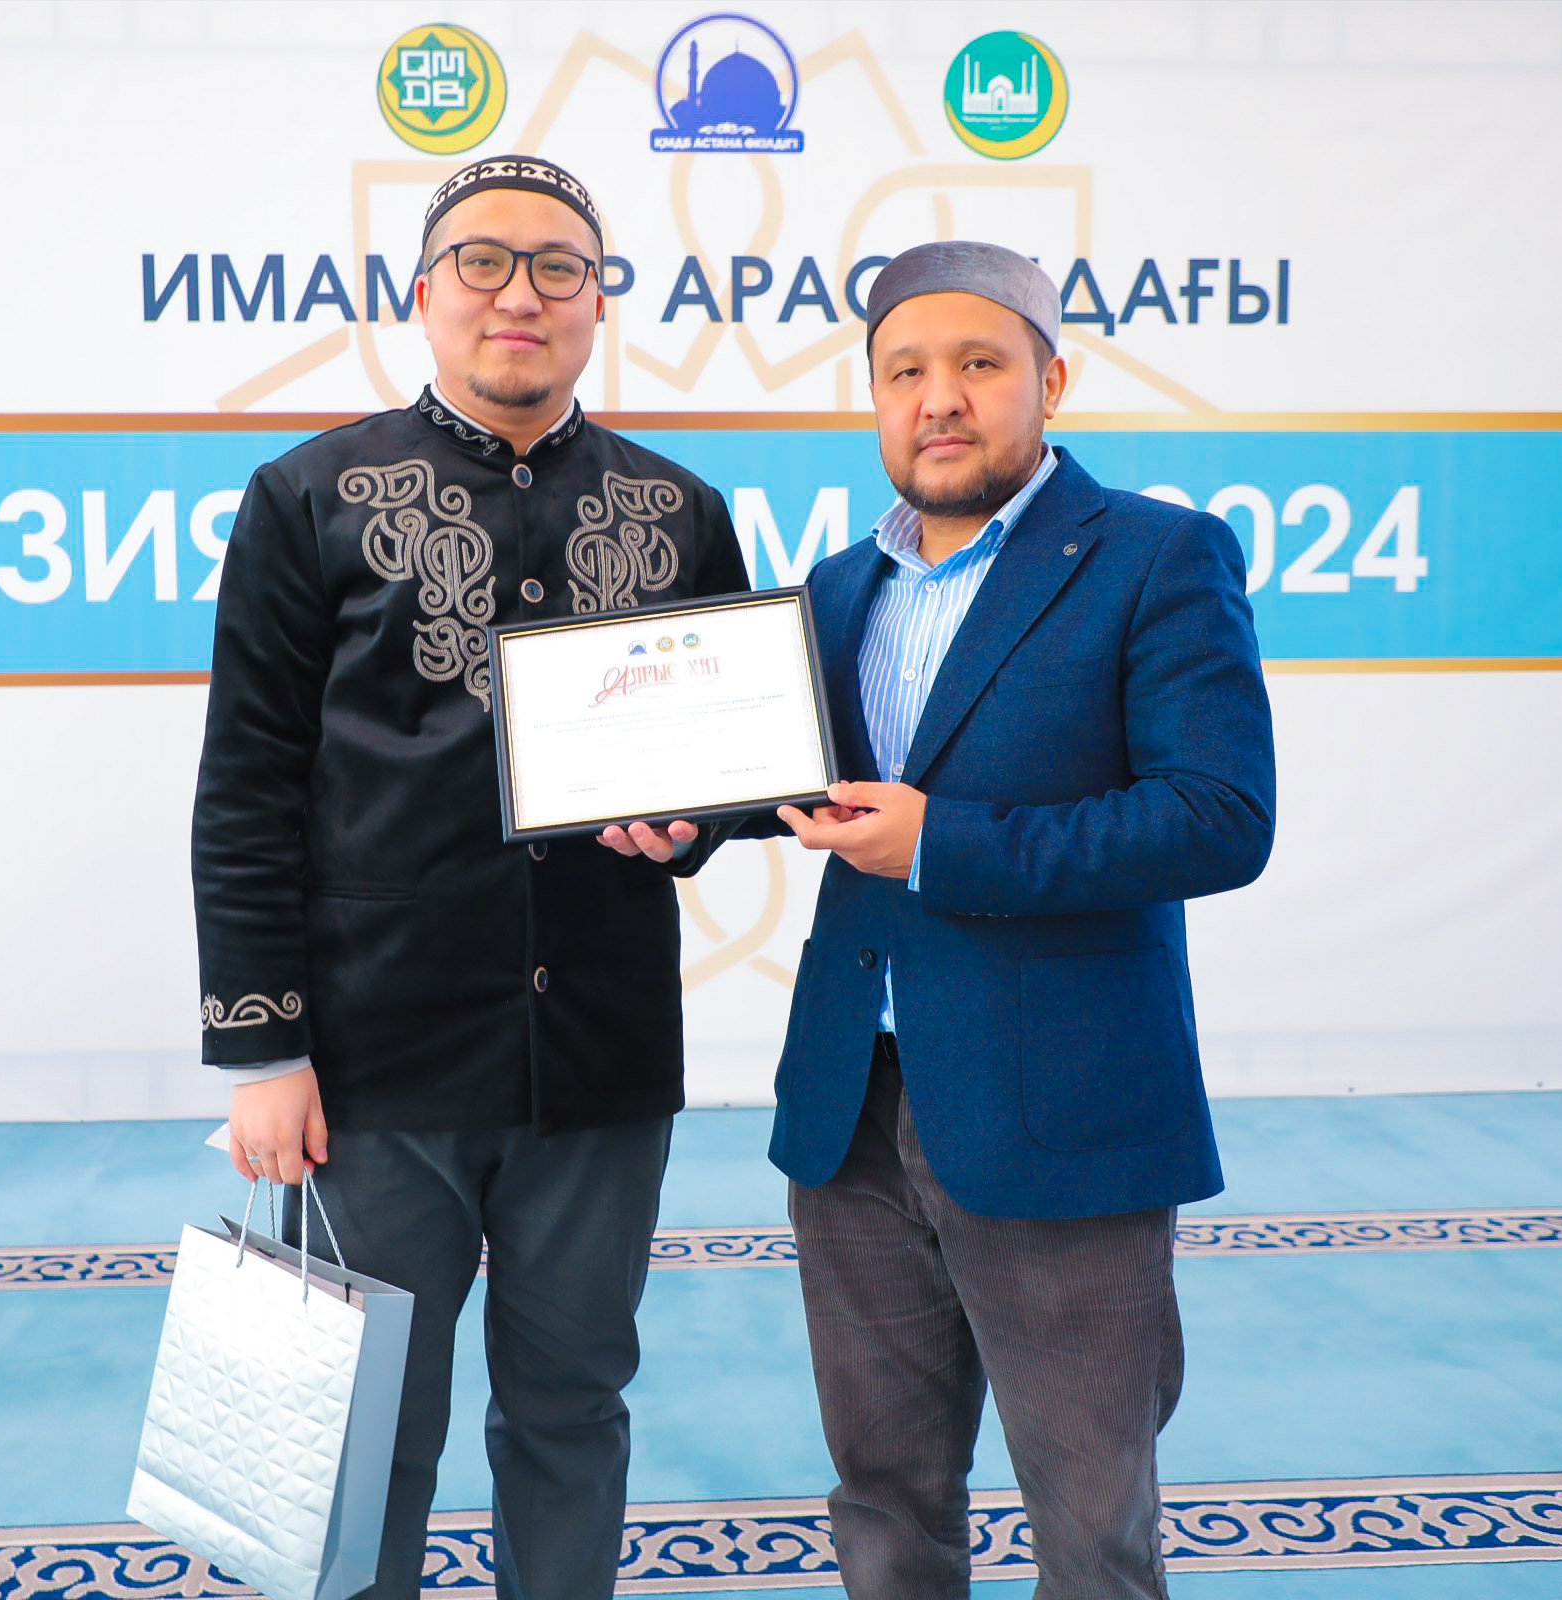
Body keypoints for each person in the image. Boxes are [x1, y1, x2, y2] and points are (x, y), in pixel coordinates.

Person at [189, 154, 748, 1600]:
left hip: (599, 1057)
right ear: (423, 293)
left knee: (574, 1407)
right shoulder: (309, 497)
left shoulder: (679, 509)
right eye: (484, 262)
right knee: (364, 1427)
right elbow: (246, 788)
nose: (521, 294)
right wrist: (263, 1048)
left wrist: (692, 823)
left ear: (599, 301)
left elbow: (727, 765)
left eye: (560, 266)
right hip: (374, 1065)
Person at [767, 240, 1276, 1598]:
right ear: (875, 400)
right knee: (883, 1506)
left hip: (1063, 1114)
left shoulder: (1158, 556)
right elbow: (801, 791)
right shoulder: (836, 588)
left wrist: (946, 844)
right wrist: (676, 821)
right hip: (852, 1106)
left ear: (1050, 381)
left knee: (1093, 1533)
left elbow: (1218, 815)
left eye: (978, 364)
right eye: (904, 373)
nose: (938, 398)